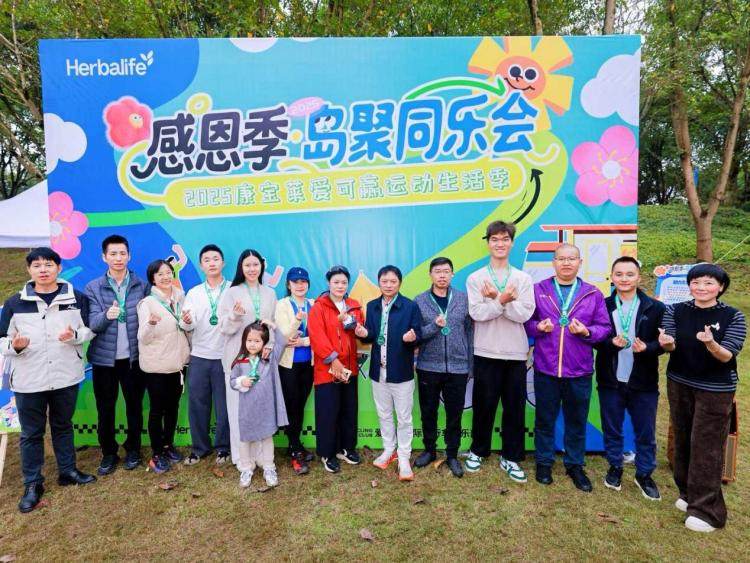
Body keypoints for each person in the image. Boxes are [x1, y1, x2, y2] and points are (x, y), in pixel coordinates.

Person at [0, 247, 96, 513]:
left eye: (49, 264)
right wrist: (15, 346)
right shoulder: (14, 303)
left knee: (63, 425)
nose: (43, 270)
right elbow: (1, 339)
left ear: (58, 267)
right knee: (32, 433)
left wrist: (74, 336)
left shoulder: (76, 297)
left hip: (66, 375)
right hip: (29, 379)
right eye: (37, 265)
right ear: (29, 270)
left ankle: (68, 471)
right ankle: (32, 483)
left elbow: (88, 330)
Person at [660, 263, 746, 532]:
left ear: (720, 287)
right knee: (683, 439)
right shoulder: (675, 310)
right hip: (679, 382)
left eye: (709, 283)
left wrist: (710, 343)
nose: (701, 287)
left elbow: (727, 355)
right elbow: (670, 343)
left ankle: (708, 511)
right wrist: (666, 343)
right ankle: (688, 493)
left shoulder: (733, 316)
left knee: (706, 446)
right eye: (696, 282)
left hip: (716, 388)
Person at [525, 243, 610, 492]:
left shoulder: (592, 293)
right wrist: (537, 327)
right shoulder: (538, 290)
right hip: (546, 369)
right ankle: (544, 463)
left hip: (579, 371)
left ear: (580, 262)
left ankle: (575, 465)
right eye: (561, 258)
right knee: (544, 419)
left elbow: (604, 328)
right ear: (553, 262)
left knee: (576, 421)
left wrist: (587, 332)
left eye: (571, 258)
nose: (566, 263)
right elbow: (526, 322)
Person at [464, 221, 535, 483]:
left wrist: (499, 300)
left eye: (505, 239)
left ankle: (511, 457)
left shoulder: (523, 279)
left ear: (512, 243)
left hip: (515, 353)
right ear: (488, 243)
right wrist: (503, 300)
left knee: (514, 408)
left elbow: (524, 314)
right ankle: (478, 451)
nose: (500, 244)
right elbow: (477, 313)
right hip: (486, 351)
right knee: (484, 406)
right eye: (494, 239)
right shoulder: (476, 278)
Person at [595, 256, 665, 500]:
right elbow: (594, 339)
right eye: (619, 274)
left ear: (639, 277)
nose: (624, 279)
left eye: (629, 274)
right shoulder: (603, 305)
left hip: (643, 381)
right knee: (612, 427)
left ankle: (644, 474)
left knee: (645, 431)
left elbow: (665, 343)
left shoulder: (655, 308)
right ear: (612, 277)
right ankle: (615, 466)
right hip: (610, 379)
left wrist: (648, 348)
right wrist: (610, 344)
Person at [85, 234, 148, 475]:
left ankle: (133, 449)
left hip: (133, 359)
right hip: (104, 360)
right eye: (113, 253)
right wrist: (106, 316)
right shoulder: (93, 287)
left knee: (134, 406)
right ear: (104, 257)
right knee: (105, 408)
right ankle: (109, 452)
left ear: (129, 256)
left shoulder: (141, 285)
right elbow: (93, 323)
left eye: (122, 253)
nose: (118, 258)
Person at [355, 265, 422, 481]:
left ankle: (404, 456)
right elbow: (370, 336)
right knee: (383, 413)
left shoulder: (410, 306)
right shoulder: (372, 306)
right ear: (379, 282)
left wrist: (413, 337)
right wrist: (363, 332)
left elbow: (419, 333)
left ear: (399, 283)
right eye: (384, 281)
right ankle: (389, 449)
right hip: (378, 370)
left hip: (401, 371)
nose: (389, 285)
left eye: (393, 281)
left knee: (404, 417)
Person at [413, 257, 472, 478]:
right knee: (428, 412)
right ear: (430, 274)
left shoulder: (463, 299)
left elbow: (470, 332)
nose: (442, 275)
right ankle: (429, 450)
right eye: (437, 271)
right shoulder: (420, 301)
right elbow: (417, 334)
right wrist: (433, 326)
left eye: (446, 271)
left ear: (452, 274)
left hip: (458, 367)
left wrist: (470, 364)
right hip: (428, 366)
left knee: (454, 414)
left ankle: (452, 454)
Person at [219, 249, 277, 466]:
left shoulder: (270, 293)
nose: (252, 269)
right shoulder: (232, 293)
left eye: (255, 265)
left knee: (261, 409)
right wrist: (235, 315)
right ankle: (242, 458)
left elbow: (272, 325)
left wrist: (269, 345)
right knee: (238, 411)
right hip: (238, 360)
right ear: (241, 268)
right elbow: (224, 328)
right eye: (247, 265)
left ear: (262, 266)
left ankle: (262, 457)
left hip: (262, 362)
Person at [307, 265, 364, 474]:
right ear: (329, 283)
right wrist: (333, 360)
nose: (340, 286)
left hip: (350, 369)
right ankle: (327, 453)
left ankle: (346, 448)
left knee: (349, 410)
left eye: (344, 282)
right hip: (327, 370)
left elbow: (359, 330)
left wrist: (350, 321)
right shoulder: (319, 307)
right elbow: (317, 336)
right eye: (336, 282)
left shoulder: (354, 306)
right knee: (328, 412)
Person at [137, 259, 191, 474]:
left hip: (178, 364)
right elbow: (143, 338)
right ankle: (157, 453)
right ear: (153, 279)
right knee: (157, 410)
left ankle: (168, 445)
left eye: (168, 272)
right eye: (160, 274)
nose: (166, 277)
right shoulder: (147, 303)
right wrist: (150, 323)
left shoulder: (180, 298)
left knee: (173, 407)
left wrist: (187, 320)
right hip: (157, 366)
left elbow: (185, 327)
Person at [181, 244, 231, 466]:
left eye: (216, 259)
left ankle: (223, 448)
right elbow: (186, 323)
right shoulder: (194, 293)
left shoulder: (233, 289)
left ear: (223, 263)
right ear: (201, 265)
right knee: (197, 404)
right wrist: (186, 321)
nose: (212, 263)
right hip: (200, 356)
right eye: (207, 260)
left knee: (224, 406)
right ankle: (200, 448)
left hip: (226, 357)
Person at [229, 321, 289, 488]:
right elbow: (232, 382)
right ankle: (246, 468)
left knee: (267, 437)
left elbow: (282, 341)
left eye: (257, 341)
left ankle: (269, 467)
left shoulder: (269, 358)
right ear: (244, 341)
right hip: (247, 409)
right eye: (249, 340)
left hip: (266, 408)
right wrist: (242, 381)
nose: (253, 344)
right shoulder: (240, 362)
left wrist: (273, 326)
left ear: (264, 342)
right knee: (245, 440)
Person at [274, 267, 315, 475]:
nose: (300, 285)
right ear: (288, 285)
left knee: (300, 405)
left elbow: (318, 335)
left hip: (309, 364)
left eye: (303, 281)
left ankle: (295, 444)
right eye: (295, 282)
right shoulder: (282, 305)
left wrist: (304, 341)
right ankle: (294, 449)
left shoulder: (313, 304)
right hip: (288, 365)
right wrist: (298, 318)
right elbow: (285, 336)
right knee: (292, 406)